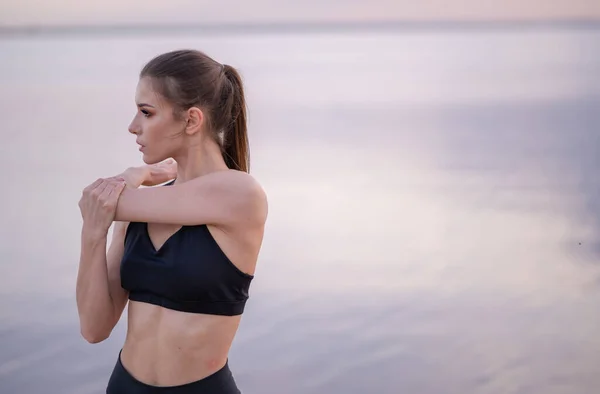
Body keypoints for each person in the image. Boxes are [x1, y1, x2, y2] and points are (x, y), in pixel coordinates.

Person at [75, 49, 268, 394]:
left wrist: (132, 177)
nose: (133, 126)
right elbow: (94, 328)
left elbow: (96, 197)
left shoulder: (240, 194)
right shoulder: (139, 209)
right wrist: (93, 233)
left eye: (146, 112)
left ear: (192, 120)